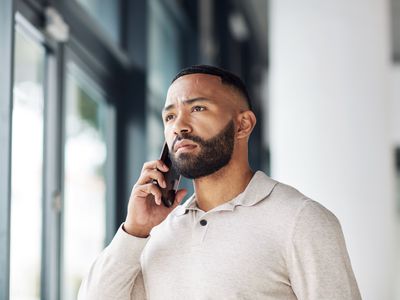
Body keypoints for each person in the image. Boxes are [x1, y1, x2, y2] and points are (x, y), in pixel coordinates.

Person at [78, 65, 361, 300]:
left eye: (198, 108)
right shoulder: (157, 233)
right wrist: (134, 231)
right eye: (170, 116)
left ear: (243, 125)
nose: (179, 126)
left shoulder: (301, 219)